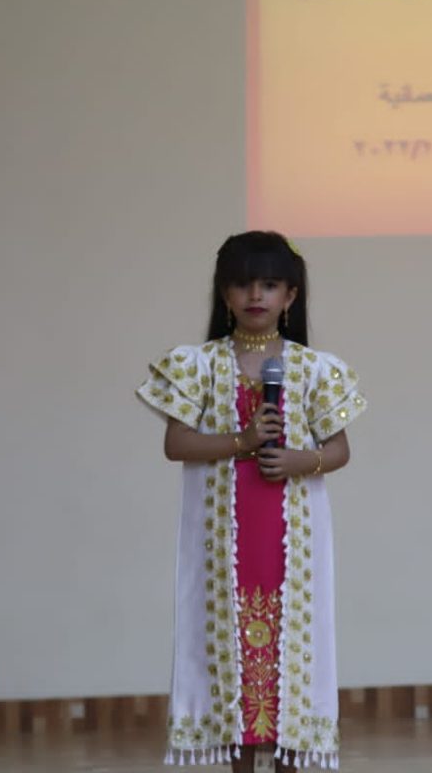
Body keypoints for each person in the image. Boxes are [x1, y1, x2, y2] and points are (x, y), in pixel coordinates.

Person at [138, 232, 365, 771]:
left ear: (291, 296)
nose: (255, 296)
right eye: (243, 285)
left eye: (269, 285)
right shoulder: (196, 365)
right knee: (229, 647)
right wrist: (242, 443)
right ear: (224, 294)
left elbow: (339, 450)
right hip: (224, 538)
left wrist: (300, 460)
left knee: (293, 648)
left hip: (292, 540)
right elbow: (177, 444)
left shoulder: (314, 369)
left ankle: (290, 756)